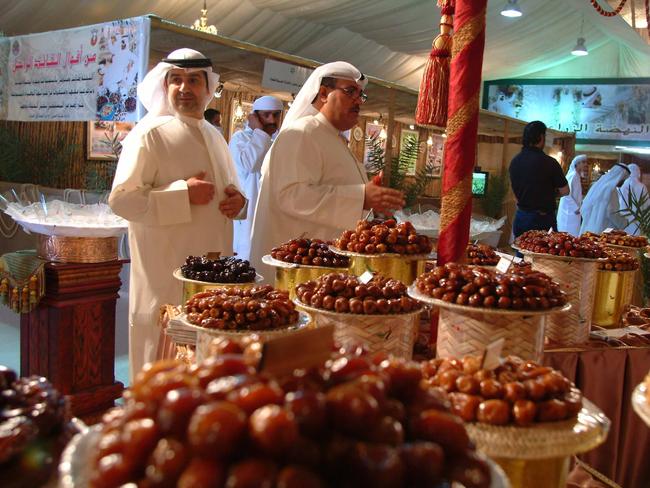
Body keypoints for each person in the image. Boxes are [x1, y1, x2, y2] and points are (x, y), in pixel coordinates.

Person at [109, 48, 246, 377]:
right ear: (165, 85)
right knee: (163, 360)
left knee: (204, 362)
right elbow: (121, 200)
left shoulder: (215, 136)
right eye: (176, 80)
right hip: (165, 272)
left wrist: (238, 202)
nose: (185, 88)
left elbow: (231, 191)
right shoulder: (149, 134)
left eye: (193, 81)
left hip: (212, 271)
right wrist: (182, 193)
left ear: (207, 87)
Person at [249, 61, 405, 281]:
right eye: (350, 91)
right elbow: (293, 196)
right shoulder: (301, 133)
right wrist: (361, 197)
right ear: (323, 93)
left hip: (326, 267)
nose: (358, 100)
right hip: (300, 270)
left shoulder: (333, 139)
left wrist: (372, 207)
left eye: (361, 95)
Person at [230, 95, 284, 260]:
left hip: (274, 208)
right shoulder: (240, 139)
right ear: (254, 117)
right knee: (249, 257)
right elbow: (250, 164)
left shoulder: (280, 140)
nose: (271, 120)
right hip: (249, 212)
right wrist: (259, 132)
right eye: (266, 115)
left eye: (276, 115)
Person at [509, 120, 569, 238]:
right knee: (544, 254)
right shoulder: (550, 162)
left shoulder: (515, 162)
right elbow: (565, 191)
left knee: (522, 254)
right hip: (542, 219)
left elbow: (515, 194)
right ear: (541, 137)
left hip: (521, 216)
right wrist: (550, 194)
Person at [579, 163, 630, 235]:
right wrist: (624, 222)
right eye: (624, 180)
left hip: (590, 226)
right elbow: (612, 212)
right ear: (620, 177)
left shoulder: (598, 185)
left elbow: (585, 206)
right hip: (603, 229)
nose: (623, 182)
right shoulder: (611, 189)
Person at [557, 154, 587, 236]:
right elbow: (567, 194)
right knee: (568, 235)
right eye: (583, 162)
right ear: (577, 164)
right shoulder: (573, 175)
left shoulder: (576, 175)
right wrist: (576, 208)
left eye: (585, 162)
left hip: (574, 211)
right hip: (569, 211)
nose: (585, 165)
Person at [617, 163, 648, 235]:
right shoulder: (642, 186)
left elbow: (618, 202)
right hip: (638, 219)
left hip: (624, 219)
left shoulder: (623, 185)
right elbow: (646, 205)